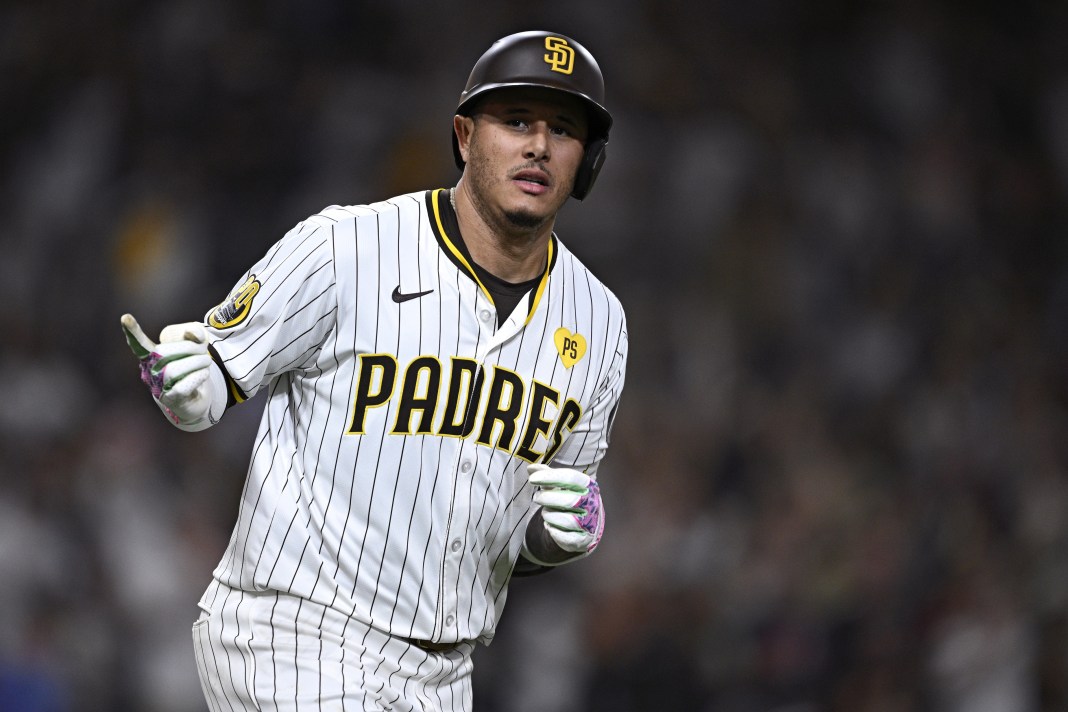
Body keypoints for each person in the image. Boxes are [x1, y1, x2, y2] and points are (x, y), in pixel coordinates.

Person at [120, 30, 627, 711]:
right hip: (294, 632)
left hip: (446, 672)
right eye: (515, 121)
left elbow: (533, 525)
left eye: (563, 130)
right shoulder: (347, 246)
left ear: (586, 162)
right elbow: (214, 370)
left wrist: (560, 535)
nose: (538, 145)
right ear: (465, 136)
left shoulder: (599, 322)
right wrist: (187, 389)